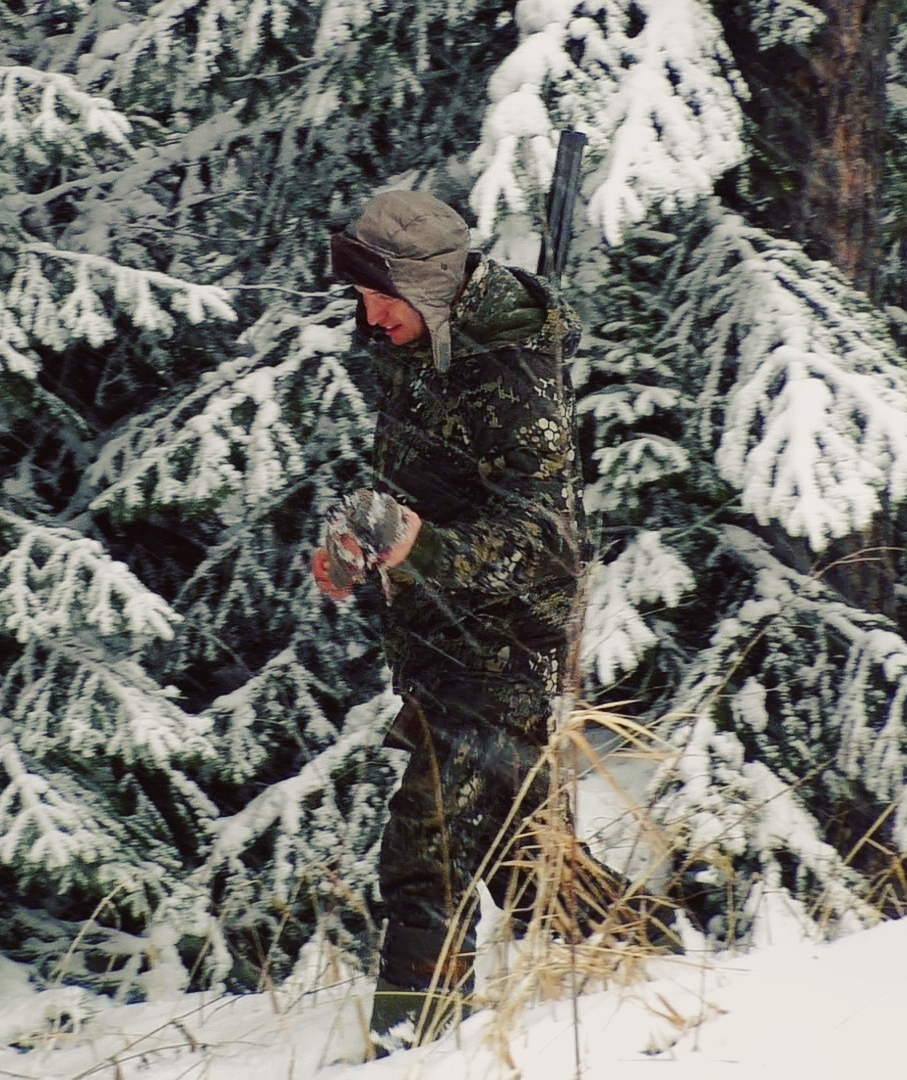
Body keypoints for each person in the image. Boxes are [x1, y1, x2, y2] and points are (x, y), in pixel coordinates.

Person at [312, 190, 587, 1033]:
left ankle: (412, 1043)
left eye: (383, 293)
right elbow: (427, 483)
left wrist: (422, 548)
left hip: (504, 651)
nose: (369, 313)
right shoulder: (421, 341)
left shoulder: (510, 373)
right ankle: (652, 953)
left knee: (427, 854)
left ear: (430, 284)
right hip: (439, 642)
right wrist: (363, 534)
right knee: (523, 865)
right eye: (361, 293)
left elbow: (547, 542)